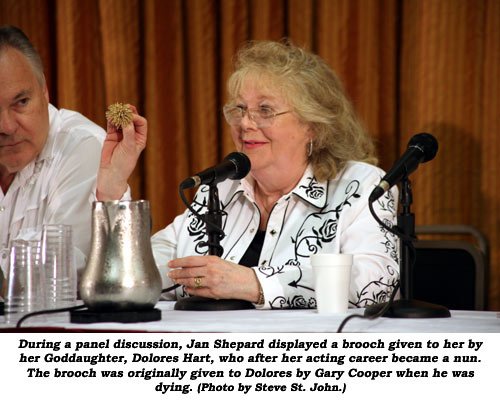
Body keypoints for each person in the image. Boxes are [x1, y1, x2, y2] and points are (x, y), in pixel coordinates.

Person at [98, 40, 399, 309]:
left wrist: (255, 285)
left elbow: (377, 285)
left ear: (313, 126)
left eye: (265, 110)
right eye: (239, 109)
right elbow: (138, 274)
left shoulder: (362, 188)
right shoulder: (221, 188)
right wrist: (113, 190)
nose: (245, 123)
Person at [0, 25, 107, 290]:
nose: (6, 126)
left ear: (45, 91)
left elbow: (64, 267)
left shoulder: (83, 144)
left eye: (21, 102)